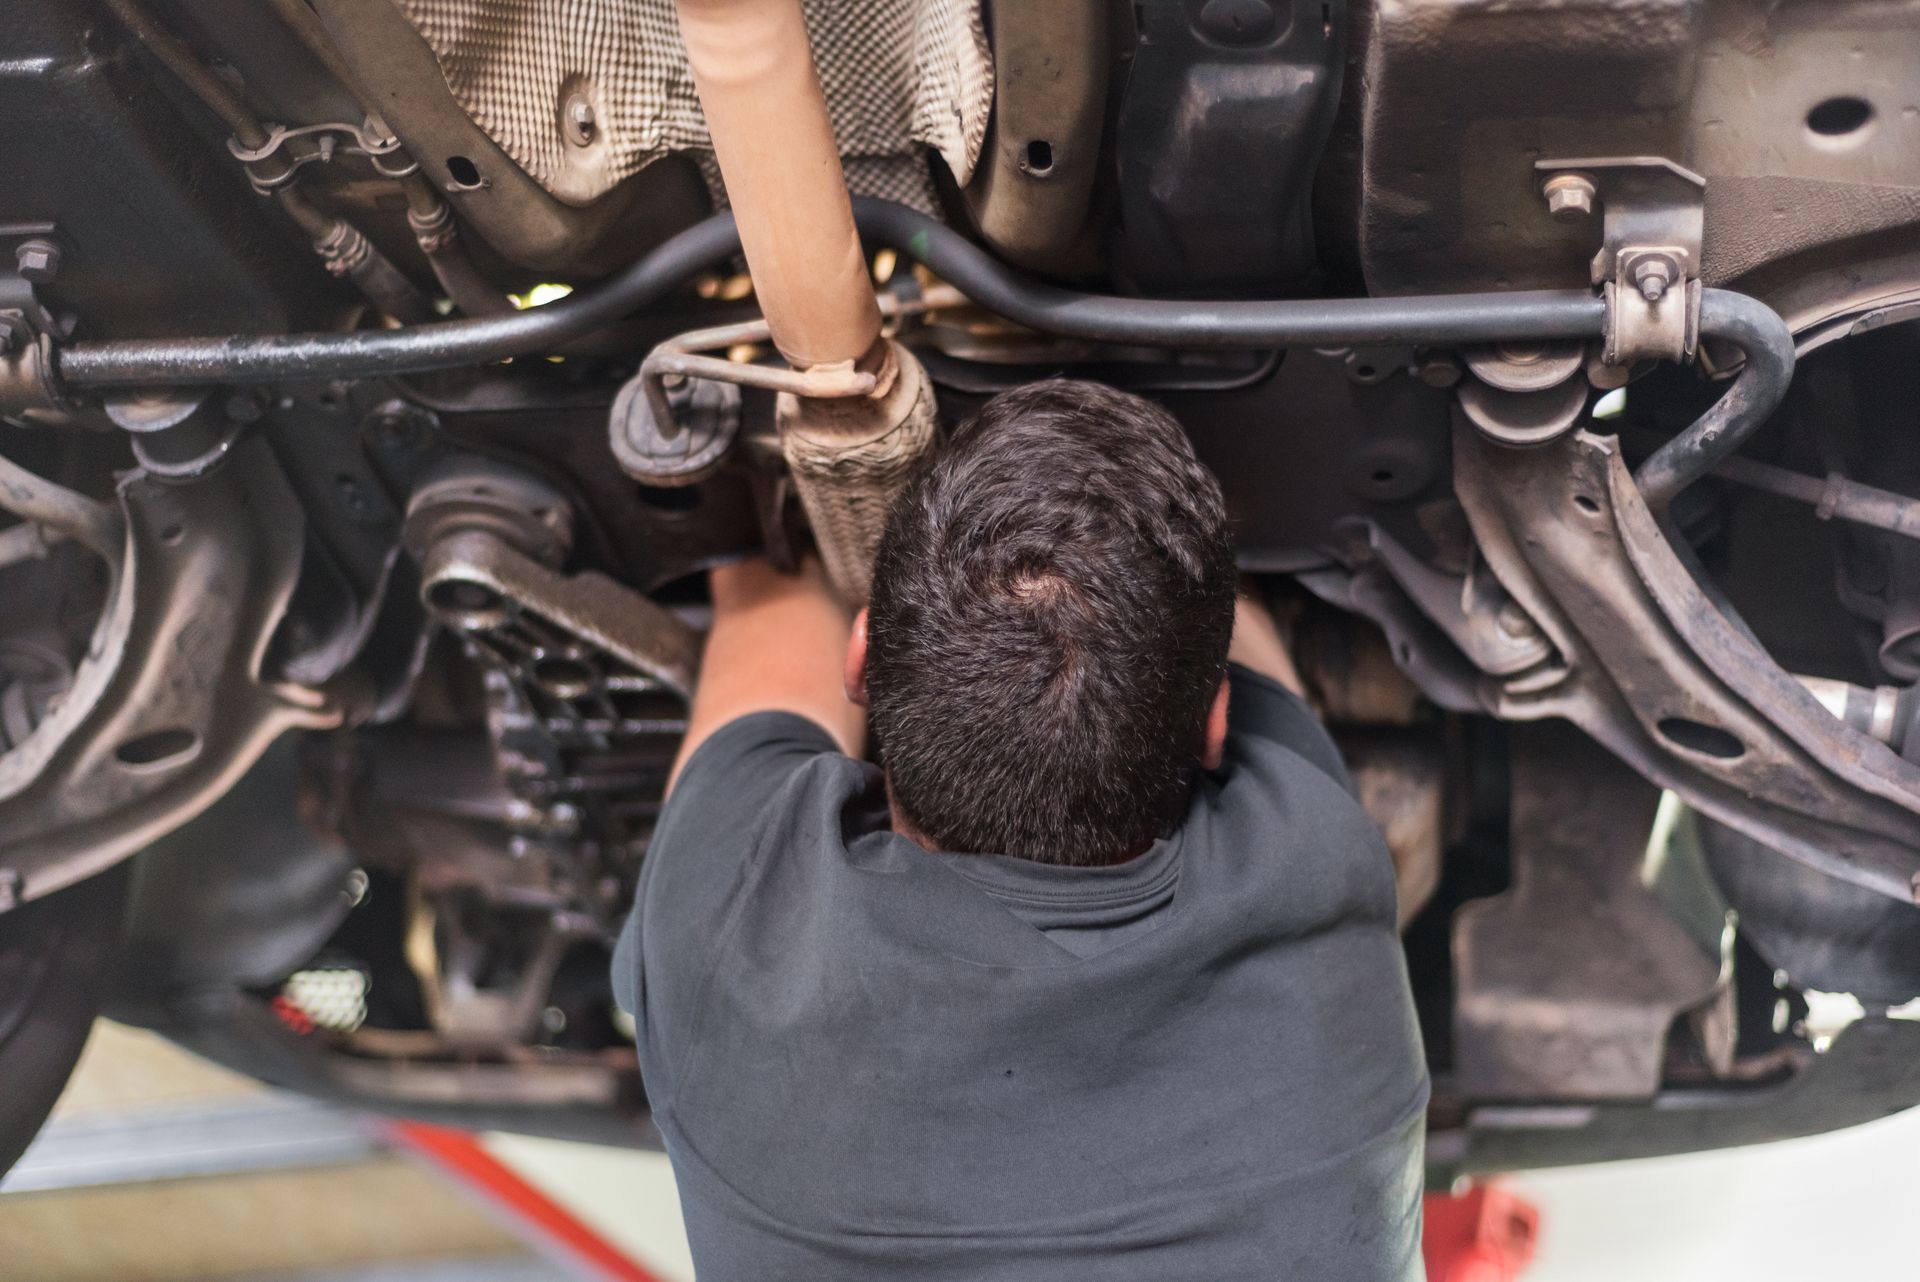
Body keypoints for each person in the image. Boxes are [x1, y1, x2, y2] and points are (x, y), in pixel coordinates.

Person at [613, 380, 1429, 1280]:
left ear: (862, 662)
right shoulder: (1319, 883)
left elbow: (767, 601)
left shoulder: (731, 940)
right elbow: (1237, 647)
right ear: (1211, 726)